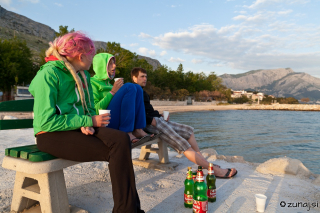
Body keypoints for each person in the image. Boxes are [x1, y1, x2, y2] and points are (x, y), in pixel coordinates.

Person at [29, 32, 145, 213]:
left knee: (122, 139)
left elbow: (88, 108)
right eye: (92, 55)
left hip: (74, 127)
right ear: (81, 56)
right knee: (117, 150)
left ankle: (129, 209)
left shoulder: (82, 75)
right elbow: (45, 122)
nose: (93, 59)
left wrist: (87, 122)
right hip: (50, 135)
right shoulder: (49, 74)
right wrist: (86, 120)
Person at [131, 67, 238, 178]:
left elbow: (148, 110)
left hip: (158, 120)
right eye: (142, 76)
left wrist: (159, 115)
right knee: (183, 144)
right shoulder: (134, 90)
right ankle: (215, 170)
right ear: (134, 78)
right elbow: (134, 111)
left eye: (146, 76)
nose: (145, 79)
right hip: (150, 124)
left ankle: (201, 166)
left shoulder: (143, 92)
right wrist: (150, 120)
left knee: (188, 130)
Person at [90, 53, 153, 145]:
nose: (115, 66)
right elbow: (95, 110)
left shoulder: (110, 84)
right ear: (101, 66)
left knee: (138, 88)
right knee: (129, 87)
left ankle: (138, 129)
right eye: (110, 63)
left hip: (115, 119)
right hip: (104, 123)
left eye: (114, 63)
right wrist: (112, 92)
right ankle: (127, 132)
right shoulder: (92, 83)